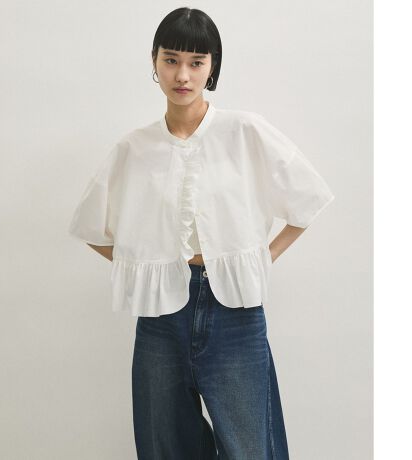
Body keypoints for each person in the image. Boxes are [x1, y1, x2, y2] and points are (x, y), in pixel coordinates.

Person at [68, 7, 335, 459]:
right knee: (165, 447)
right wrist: (147, 266)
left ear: (213, 66)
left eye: (196, 62)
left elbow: (308, 201)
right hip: (161, 316)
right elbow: (90, 226)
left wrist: (262, 257)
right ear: (154, 61)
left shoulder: (244, 131)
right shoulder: (134, 148)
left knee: (251, 447)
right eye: (171, 60)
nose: (182, 75)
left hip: (236, 313)